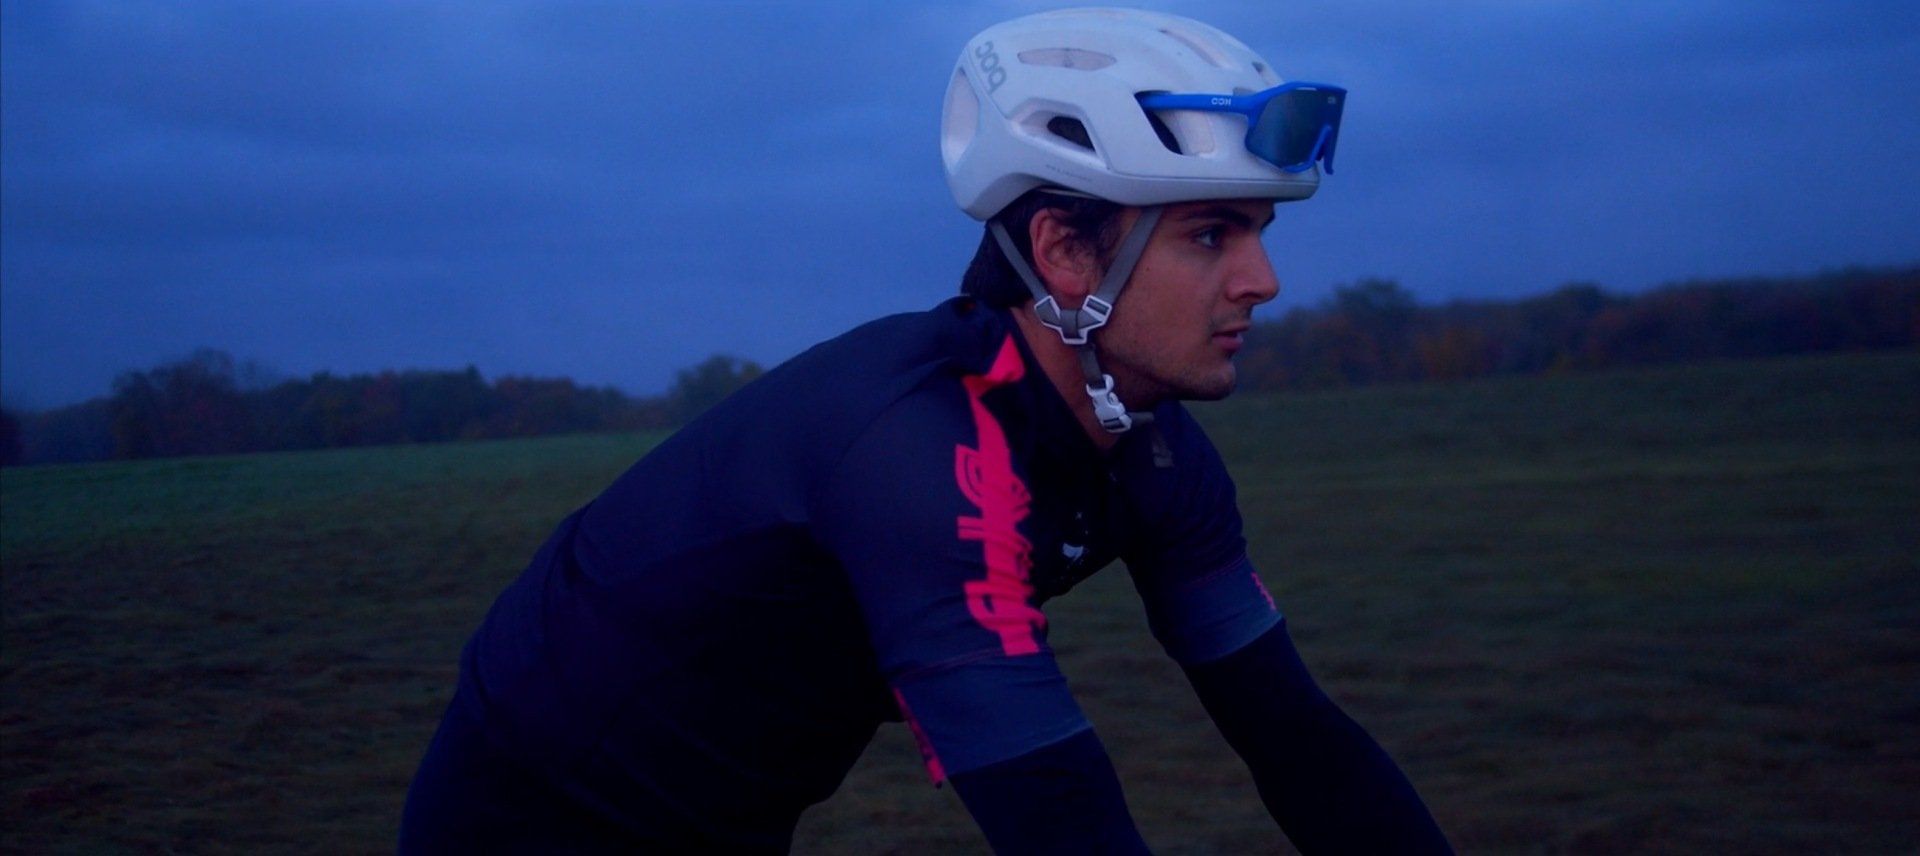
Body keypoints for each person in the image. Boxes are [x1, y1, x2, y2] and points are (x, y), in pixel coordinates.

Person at [401, 8, 1450, 854]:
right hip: (532, 808)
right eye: (1211, 234)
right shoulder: (923, 454)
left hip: (734, 806)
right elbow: (1059, 813)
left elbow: (1298, 739)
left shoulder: (1154, 451)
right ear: (1065, 251)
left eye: (1261, 232)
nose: (1263, 281)